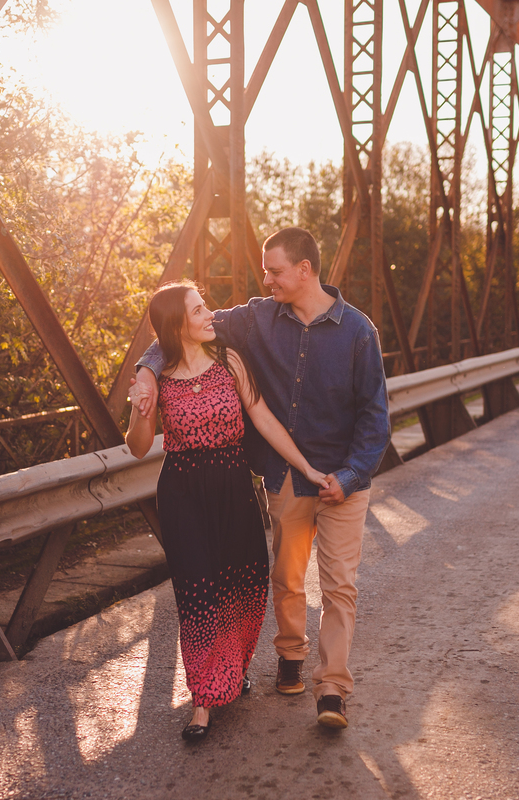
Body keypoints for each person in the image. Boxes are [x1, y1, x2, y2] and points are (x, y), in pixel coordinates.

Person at [133, 226, 391, 729]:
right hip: (285, 474)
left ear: (305, 270)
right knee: (286, 577)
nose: (266, 279)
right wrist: (146, 369)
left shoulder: (358, 332)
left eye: (274, 271)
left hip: (342, 476)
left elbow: (375, 419)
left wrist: (350, 474)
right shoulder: (256, 318)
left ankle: (333, 689)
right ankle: (290, 654)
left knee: (340, 585)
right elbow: (179, 329)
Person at [125, 280, 329, 742]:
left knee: (245, 584)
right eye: (198, 311)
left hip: (234, 486)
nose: (209, 315)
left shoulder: (229, 361)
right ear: (179, 325)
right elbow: (138, 448)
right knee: (198, 595)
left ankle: (231, 670)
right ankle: (202, 700)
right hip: (183, 493)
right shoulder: (157, 379)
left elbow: (262, 417)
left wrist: (306, 468)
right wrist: (142, 409)